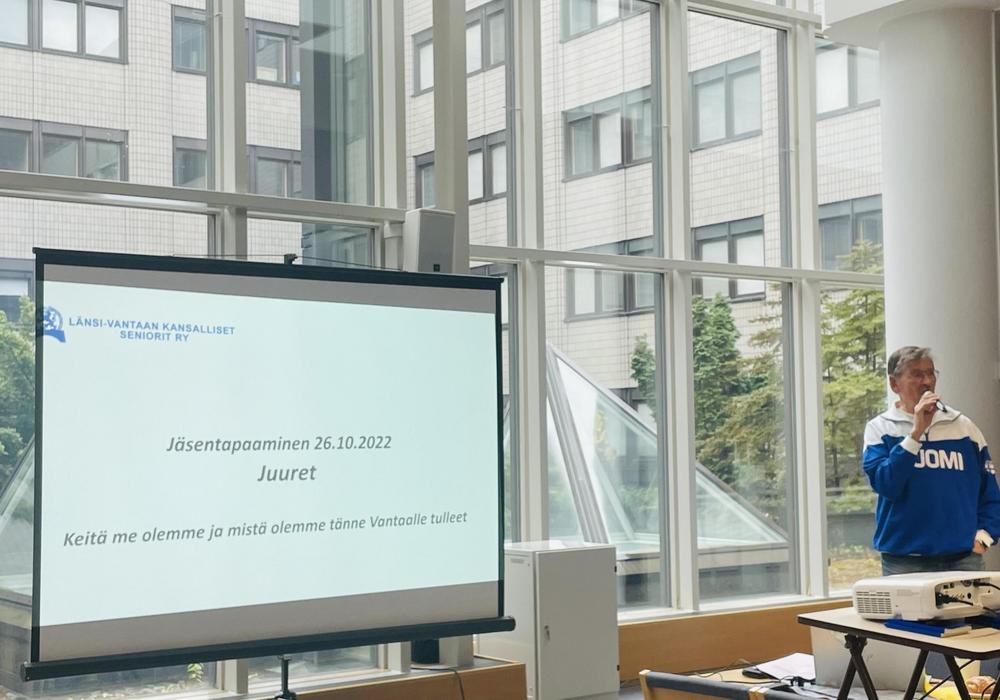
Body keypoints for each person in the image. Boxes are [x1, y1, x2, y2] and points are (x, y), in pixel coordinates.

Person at [862, 346, 1000, 575]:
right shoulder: (880, 429)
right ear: (894, 384)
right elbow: (886, 484)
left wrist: (984, 538)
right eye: (917, 375)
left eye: (930, 373)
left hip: (963, 559)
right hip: (903, 561)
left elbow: (989, 492)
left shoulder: (963, 427)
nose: (927, 381)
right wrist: (915, 434)